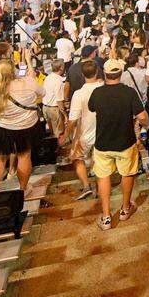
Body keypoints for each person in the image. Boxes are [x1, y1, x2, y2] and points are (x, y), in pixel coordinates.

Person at [88, 59, 148, 230]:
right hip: (125, 141)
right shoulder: (129, 93)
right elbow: (142, 116)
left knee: (103, 176)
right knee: (127, 173)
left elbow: (92, 108)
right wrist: (146, 126)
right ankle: (124, 209)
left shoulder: (97, 93)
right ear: (120, 73)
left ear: (104, 73)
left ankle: (106, 217)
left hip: (103, 142)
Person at [0, 56, 43, 195]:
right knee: (24, 156)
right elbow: (42, 92)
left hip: (2, 128)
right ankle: (23, 189)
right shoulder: (27, 83)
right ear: (13, 72)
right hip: (26, 126)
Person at [66, 60, 102, 201]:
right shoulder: (102, 87)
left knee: (76, 158)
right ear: (97, 72)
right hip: (101, 132)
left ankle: (86, 186)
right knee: (99, 160)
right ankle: (99, 188)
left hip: (84, 134)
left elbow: (73, 119)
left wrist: (66, 135)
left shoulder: (79, 94)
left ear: (82, 74)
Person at [41, 58, 68, 146]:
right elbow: (59, 100)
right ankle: (58, 151)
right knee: (58, 134)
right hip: (54, 109)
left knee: (52, 133)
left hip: (45, 107)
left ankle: (52, 150)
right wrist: (65, 115)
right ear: (61, 68)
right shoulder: (58, 81)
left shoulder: (48, 77)